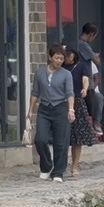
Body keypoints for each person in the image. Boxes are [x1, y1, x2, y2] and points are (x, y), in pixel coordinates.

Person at [27, 45, 76, 183]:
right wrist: (30, 110)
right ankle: (46, 166)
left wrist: (71, 109)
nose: (59, 61)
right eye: (56, 58)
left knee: (61, 143)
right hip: (44, 108)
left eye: (62, 58)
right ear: (50, 57)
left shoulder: (66, 74)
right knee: (40, 139)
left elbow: (70, 93)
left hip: (61, 108)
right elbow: (35, 92)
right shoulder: (40, 72)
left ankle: (58, 172)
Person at [64, 47, 96, 178]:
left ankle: (75, 164)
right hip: (62, 103)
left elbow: (85, 79)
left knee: (77, 136)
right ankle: (61, 164)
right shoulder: (60, 68)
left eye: (70, 56)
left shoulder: (81, 66)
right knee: (62, 136)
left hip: (77, 101)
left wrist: (85, 88)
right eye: (66, 56)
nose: (68, 58)